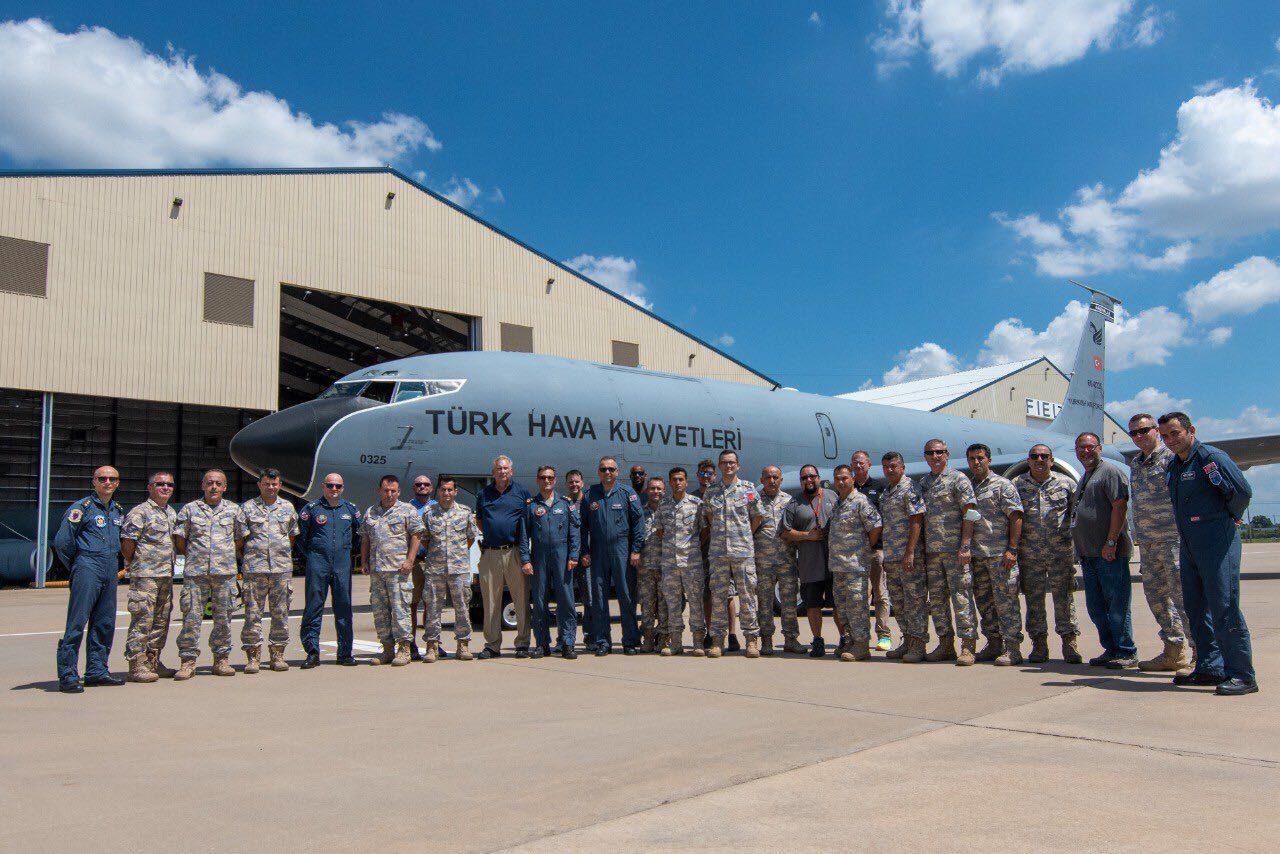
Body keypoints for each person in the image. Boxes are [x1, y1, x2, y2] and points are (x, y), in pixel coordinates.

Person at [1159, 412, 1257, 696]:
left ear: (1191, 430)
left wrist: (1226, 518)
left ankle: (1242, 674)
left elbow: (1241, 492)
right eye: (1165, 436)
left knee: (1224, 607)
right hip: (1189, 543)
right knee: (1196, 608)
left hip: (1216, 541)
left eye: (1175, 433)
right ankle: (1210, 667)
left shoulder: (1210, 458)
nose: (1169, 440)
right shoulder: (1176, 465)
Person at [1126, 413, 1192, 673]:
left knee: (1184, 598)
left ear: (1156, 430)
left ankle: (1201, 653)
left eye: (1144, 430)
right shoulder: (1135, 464)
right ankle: (1173, 651)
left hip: (1173, 540)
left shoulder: (1173, 458)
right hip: (1148, 543)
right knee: (1156, 599)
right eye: (1134, 433)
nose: (1140, 436)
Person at [54, 465, 125, 693]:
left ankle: (97, 670)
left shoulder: (117, 510)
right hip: (87, 565)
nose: (107, 482)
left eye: (112, 479)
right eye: (102, 478)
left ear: (117, 483)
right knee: (77, 622)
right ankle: (68, 674)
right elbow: (63, 542)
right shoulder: (81, 508)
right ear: (93, 482)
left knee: (105, 622)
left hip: (110, 567)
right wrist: (77, 565)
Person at [1072, 432, 1137, 669]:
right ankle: (1111, 649)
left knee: (1117, 604)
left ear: (1099, 448)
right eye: (1081, 448)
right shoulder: (1087, 476)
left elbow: (1119, 507)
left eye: (1090, 447)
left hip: (1109, 553)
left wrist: (1111, 542)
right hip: (1089, 554)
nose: (1085, 451)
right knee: (1097, 607)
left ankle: (1126, 651)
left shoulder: (1109, 472)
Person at [1013, 446, 1082, 663]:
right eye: (1034, 457)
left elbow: (1076, 517)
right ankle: (1039, 644)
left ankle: (1069, 643)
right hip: (1029, 553)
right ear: (1028, 460)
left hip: (1059, 552)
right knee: (1034, 601)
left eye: (1044, 457)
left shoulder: (1066, 484)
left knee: (1064, 598)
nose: (1039, 460)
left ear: (1051, 460)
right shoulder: (1017, 485)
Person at [173, 469, 243, 679]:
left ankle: (221, 660)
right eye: (210, 483)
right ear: (203, 485)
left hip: (224, 574)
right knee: (191, 618)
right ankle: (188, 661)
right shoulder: (190, 510)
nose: (214, 487)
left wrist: (223, 557)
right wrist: (198, 557)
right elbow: (180, 541)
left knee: (223, 619)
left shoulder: (233, 510)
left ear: (224, 487)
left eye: (218, 483)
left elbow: (239, 540)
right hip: (196, 574)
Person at [919, 439, 979, 666]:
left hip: (955, 552)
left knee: (962, 598)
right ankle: (945, 644)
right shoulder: (924, 483)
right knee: (937, 602)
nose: (935, 457)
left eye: (939, 452)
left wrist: (965, 545)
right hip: (933, 554)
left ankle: (967, 646)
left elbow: (971, 513)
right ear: (925, 456)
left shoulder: (958, 479)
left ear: (947, 454)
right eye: (931, 453)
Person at [965, 444, 1025, 666]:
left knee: (1006, 602)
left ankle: (1013, 649)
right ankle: (993, 643)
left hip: (1000, 555)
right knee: (985, 603)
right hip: (977, 556)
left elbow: (1016, 517)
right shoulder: (969, 486)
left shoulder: (1002, 485)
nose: (976, 462)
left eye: (980, 458)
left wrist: (1012, 549)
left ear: (988, 460)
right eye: (972, 458)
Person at [236, 469, 299, 673]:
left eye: (274, 484)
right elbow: (240, 540)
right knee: (252, 613)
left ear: (280, 485)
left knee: (280, 613)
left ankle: (277, 655)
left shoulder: (288, 507)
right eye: (266, 484)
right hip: (255, 570)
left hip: (281, 570)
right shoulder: (247, 508)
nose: (270, 487)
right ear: (259, 485)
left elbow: (291, 537)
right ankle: (253, 657)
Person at [701, 449, 763, 658]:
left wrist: (743, 536)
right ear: (719, 466)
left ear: (738, 465)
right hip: (718, 553)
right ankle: (717, 640)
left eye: (732, 463)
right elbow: (709, 518)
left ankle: (752, 640)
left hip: (743, 552)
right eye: (724, 463)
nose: (728, 466)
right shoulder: (711, 492)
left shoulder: (748, 489)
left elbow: (756, 517)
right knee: (719, 597)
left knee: (747, 597)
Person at [581, 456, 645, 655]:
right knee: (599, 598)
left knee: (626, 596)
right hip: (598, 551)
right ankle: (602, 641)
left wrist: (636, 550)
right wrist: (584, 550)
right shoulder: (590, 494)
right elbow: (582, 526)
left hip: (622, 550)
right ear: (598, 472)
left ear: (617, 472)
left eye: (611, 469)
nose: (607, 473)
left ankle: (630, 640)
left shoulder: (627, 493)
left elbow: (638, 522)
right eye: (603, 469)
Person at [120, 471, 178, 683]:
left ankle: (153, 661)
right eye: (160, 484)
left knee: (161, 620)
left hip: (166, 575)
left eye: (169, 485)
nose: (165, 488)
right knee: (142, 619)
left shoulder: (171, 513)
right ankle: (136, 664)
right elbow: (128, 543)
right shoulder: (140, 512)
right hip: (145, 576)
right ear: (150, 487)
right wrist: (138, 564)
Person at [298, 473, 360, 669]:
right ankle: (312, 652)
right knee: (314, 607)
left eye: (338, 486)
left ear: (342, 488)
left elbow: (358, 537)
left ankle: (344, 653)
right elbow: (301, 539)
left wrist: (346, 554)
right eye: (330, 486)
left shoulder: (350, 510)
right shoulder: (312, 509)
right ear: (323, 487)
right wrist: (313, 558)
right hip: (318, 563)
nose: (334, 489)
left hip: (342, 564)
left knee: (344, 607)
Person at [361, 474, 425, 666]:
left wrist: (410, 560)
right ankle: (387, 650)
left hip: (399, 571)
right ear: (379, 491)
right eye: (385, 490)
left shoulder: (408, 510)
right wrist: (364, 561)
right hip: (378, 572)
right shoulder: (371, 512)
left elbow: (416, 535)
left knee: (401, 611)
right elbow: (365, 538)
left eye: (393, 491)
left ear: (398, 492)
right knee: (380, 612)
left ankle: (404, 649)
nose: (389, 494)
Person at [475, 456, 534, 658]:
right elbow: (480, 521)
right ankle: (492, 645)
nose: (502, 472)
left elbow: (527, 524)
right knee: (490, 600)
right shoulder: (484, 494)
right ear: (493, 472)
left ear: (512, 471)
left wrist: (524, 554)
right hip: (490, 552)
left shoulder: (521, 493)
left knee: (521, 599)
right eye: (498, 469)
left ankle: (523, 643)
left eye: (506, 468)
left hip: (514, 551)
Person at [519, 466, 580, 658]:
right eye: (543, 478)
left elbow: (574, 532)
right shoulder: (531, 505)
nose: (547, 481)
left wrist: (573, 556)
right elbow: (523, 535)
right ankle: (542, 643)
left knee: (567, 601)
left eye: (550, 478)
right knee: (539, 601)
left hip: (562, 556)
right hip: (539, 556)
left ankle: (568, 643)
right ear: (538, 480)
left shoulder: (566, 503)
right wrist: (525, 559)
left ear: (555, 480)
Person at [827, 465, 883, 662]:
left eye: (844, 478)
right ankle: (850, 640)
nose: (841, 482)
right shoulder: (838, 503)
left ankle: (861, 645)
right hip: (838, 565)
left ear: (852, 479)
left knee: (857, 606)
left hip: (855, 565)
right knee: (842, 607)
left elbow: (876, 526)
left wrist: (865, 547)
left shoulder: (860, 501)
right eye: (837, 479)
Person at [422, 477, 480, 662]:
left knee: (462, 607)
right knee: (433, 607)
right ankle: (432, 646)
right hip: (435, 569)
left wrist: (457, 554)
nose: (446, 493)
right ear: (438, 492)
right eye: (443, 490)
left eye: (450, 490)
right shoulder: (429, 513)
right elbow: (424, 539)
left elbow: (470, 538)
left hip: (458, 569)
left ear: (456, 492)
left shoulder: (465, 512)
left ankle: (463, 645)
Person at [781, 464, 836, 658]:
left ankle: (845, 639)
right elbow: (785, 532)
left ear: (819, 477)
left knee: (838, 604)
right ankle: (818, 640)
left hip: (834, 563)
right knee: (813, 605)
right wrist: (807, 535)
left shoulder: (833, 497)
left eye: (812, 476)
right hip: (809, 564)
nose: (809, 480)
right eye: (804, 478)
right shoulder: (795, 502)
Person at [878, 453, 928, 663]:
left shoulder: (910, 488)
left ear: (903, 467)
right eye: (886, 466)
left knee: (914, 601)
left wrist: (910, 551)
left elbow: (916, 520)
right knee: (898, 602)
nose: (890, 470)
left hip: (908, 557)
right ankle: (907, 640)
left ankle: (918, 644)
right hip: (891, 556)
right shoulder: (886, 493)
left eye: (894, 466)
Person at [754, 465, 802, 655]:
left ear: (781, 480)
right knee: (764, 603)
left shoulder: (790, 501)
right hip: (763, 561)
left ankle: (791, 639)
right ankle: (766, 641)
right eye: (768, 477)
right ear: (762, 480)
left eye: (775, 477)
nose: (772, 481)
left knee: (789, 602)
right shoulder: (755, 502)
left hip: (786, 560)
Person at [658, 467, 705, 655]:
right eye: (674, 480)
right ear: (669, 482)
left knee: (695, 602)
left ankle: (698, 642)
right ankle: (675, 642)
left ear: (686, 482)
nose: (677, 483)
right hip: (670, 563)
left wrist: (690, 547)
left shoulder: (697, 504)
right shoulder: (663, 505)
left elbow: (704, 530)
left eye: (681, 479)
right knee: (673, 603)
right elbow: (660, 530)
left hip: (691, 562)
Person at [694, 459, 738, 651]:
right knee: (707, 594)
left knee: (727, 594)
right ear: (698, 476)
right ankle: (712, 633)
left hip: (723, 552)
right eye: (702, 474)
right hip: (703, 554)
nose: (706, 477)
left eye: (710, 474)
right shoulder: (693, 499)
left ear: (715, 475)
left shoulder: (723, 494)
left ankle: (732, 635)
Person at [851, 451, 892, 652]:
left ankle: (884, 635)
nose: (858, 466)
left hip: (876, 551)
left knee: (880, 594)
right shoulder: (847, 489)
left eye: (861, 463)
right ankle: (861, 636)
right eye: (855, 463)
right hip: (855, 554)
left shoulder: (879, 489)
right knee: (860, 596)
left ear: (869, 464)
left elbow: (884, 519)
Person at [408, 474, 437, 661]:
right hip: (416, 562)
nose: (422, 487)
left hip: (434, 562)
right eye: (418, 484)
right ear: (414, 487)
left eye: (426, 484)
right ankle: (411, 644)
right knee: (412, 603)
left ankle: (432, 644)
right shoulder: (406, 508)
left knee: (432, 604)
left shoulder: (438, 507)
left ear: (431, 487)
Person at [636, 476, 666, 652]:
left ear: (664, 491)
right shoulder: (640, 513)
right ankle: (647, 639)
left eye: (659, 489)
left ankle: (663, 639)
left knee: (664, 606)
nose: (656, 492)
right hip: (646, 567)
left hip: (665, 567)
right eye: (653, 488)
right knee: (646, 606)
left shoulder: (669, 512)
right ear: (647, 491)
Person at [564, 469, 592, 648]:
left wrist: (587, 553)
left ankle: (590, 636)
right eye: (571, 482)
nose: (574, 485)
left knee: (589, 599)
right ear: (566, 484)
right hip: (567, 559)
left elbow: (593, 530)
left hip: (585, 558)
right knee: (567, 599)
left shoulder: (589, 503)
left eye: (577, 482)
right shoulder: (563, 503)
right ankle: (567, 638)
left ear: (582, 483)